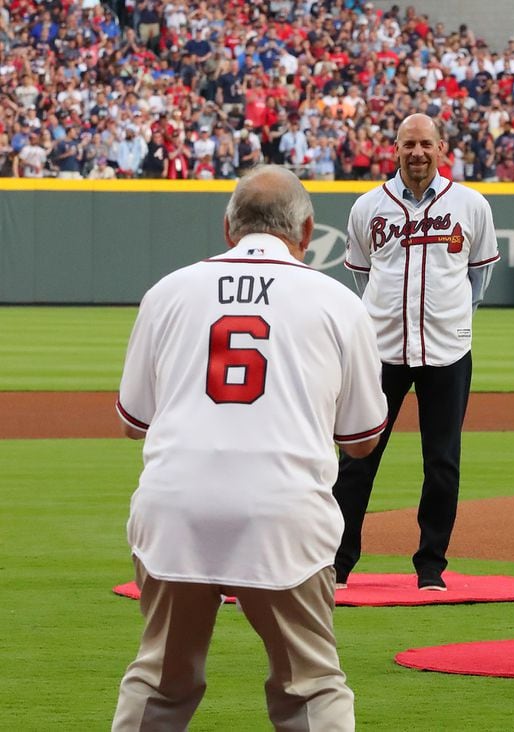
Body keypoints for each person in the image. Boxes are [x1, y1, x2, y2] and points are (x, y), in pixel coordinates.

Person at [112, 166, 388, 730]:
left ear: (227, 227)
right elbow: (361, 441)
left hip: (175, 507)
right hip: (283, 511)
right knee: (311, 686)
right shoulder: (338, 302)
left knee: (161, 679)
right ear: (308, 230)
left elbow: (134, 422)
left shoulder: (168, 291)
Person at [332, 113, 500, 591]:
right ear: (396, 148)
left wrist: (449, 318)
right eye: (409, 144)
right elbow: (362, 276)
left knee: (442, 462)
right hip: (380, 351)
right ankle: (339, 562)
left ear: (442, 148)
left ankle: (431, 567)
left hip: (447, 352)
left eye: (426, 143)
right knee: (358, 455)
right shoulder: (369, 207)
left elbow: (478, 278)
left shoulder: (470, 205)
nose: (418, 152)